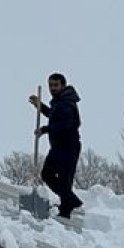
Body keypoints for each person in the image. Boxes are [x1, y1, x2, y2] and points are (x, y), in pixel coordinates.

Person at [29, 73, 83, 218]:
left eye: (56, 85)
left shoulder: (67, 103)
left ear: (63, 86)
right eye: (51, 85)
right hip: (58, 147)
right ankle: (71, 200)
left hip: (69, 146)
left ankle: (66, 210)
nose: (52, 88)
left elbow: (65, 124)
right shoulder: (59, 102)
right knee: (47, 174)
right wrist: (40, 106)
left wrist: (45, 129)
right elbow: (54, 115)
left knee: (65, 179)